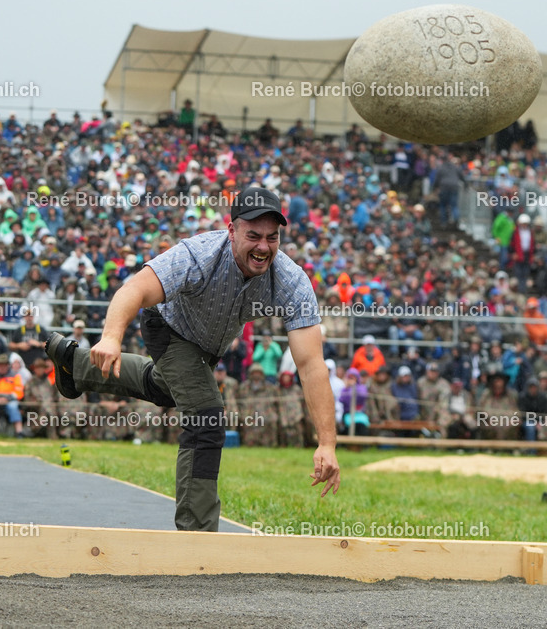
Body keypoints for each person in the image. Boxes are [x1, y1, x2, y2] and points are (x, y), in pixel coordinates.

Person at [44, 187, 340, 532]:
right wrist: (110, 337)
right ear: (231, 231)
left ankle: (75, 365)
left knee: (166, 388)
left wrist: (327, 443)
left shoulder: (291, 281)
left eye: (272, 238)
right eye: (253, 236)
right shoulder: (199, 254)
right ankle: (196, 535)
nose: (263, 247)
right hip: (166, 326)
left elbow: (311, 365)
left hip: (207, 347)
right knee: (206, 416)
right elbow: (134, 289)